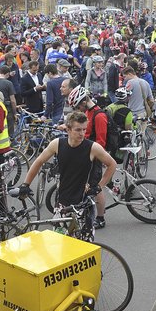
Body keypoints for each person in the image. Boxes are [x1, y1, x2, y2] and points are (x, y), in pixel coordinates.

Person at [21, 110, 117, 219]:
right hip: (62, 200)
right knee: (59, 234)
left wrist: (99, 186)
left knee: (80, 236)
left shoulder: (93, 148)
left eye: (84, 129)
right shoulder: (57, 144)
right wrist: (26, 184)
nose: (82, 133)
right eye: (78, 130)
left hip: (83, 203)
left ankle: (99, 218)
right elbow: (39, 161)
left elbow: (112, 164)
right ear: (68, 130)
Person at [66, 87, 114, 228]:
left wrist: (88, 153)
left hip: (94, 157)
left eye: (78, 105)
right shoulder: (88, 112)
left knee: (95, 188)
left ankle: (100, 218)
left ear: (84, 101)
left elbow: (101, 141)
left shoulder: (99, 116)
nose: (78, 109)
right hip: (87, 153)